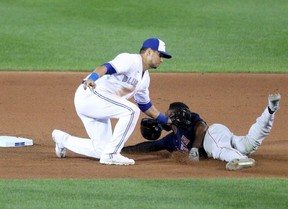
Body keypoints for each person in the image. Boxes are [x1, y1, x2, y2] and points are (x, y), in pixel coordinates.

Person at [52, 38, 172, 165]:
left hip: (99, 105)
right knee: (131, 111)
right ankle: (112, 154)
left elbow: (145, 105)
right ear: (149, 52)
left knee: (102, 149)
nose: (162, 59)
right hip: (91, 94)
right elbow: (106, 67)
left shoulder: (145, 78)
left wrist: (166, 121)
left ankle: (63, 139)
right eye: (160, 55)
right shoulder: (130, 60)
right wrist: (93, 78)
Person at [122, 93, 281, 170]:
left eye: (168, 113)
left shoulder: (189, 120)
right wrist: (121, 150)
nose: (166, 117)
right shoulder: (171, 140)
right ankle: (270, 110)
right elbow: (151, 146)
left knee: (220, 150)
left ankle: (240, 160)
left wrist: (195, 148)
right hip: (221, 138)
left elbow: (201, 127)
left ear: (176, 113)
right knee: (248, 145)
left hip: (212, 134)